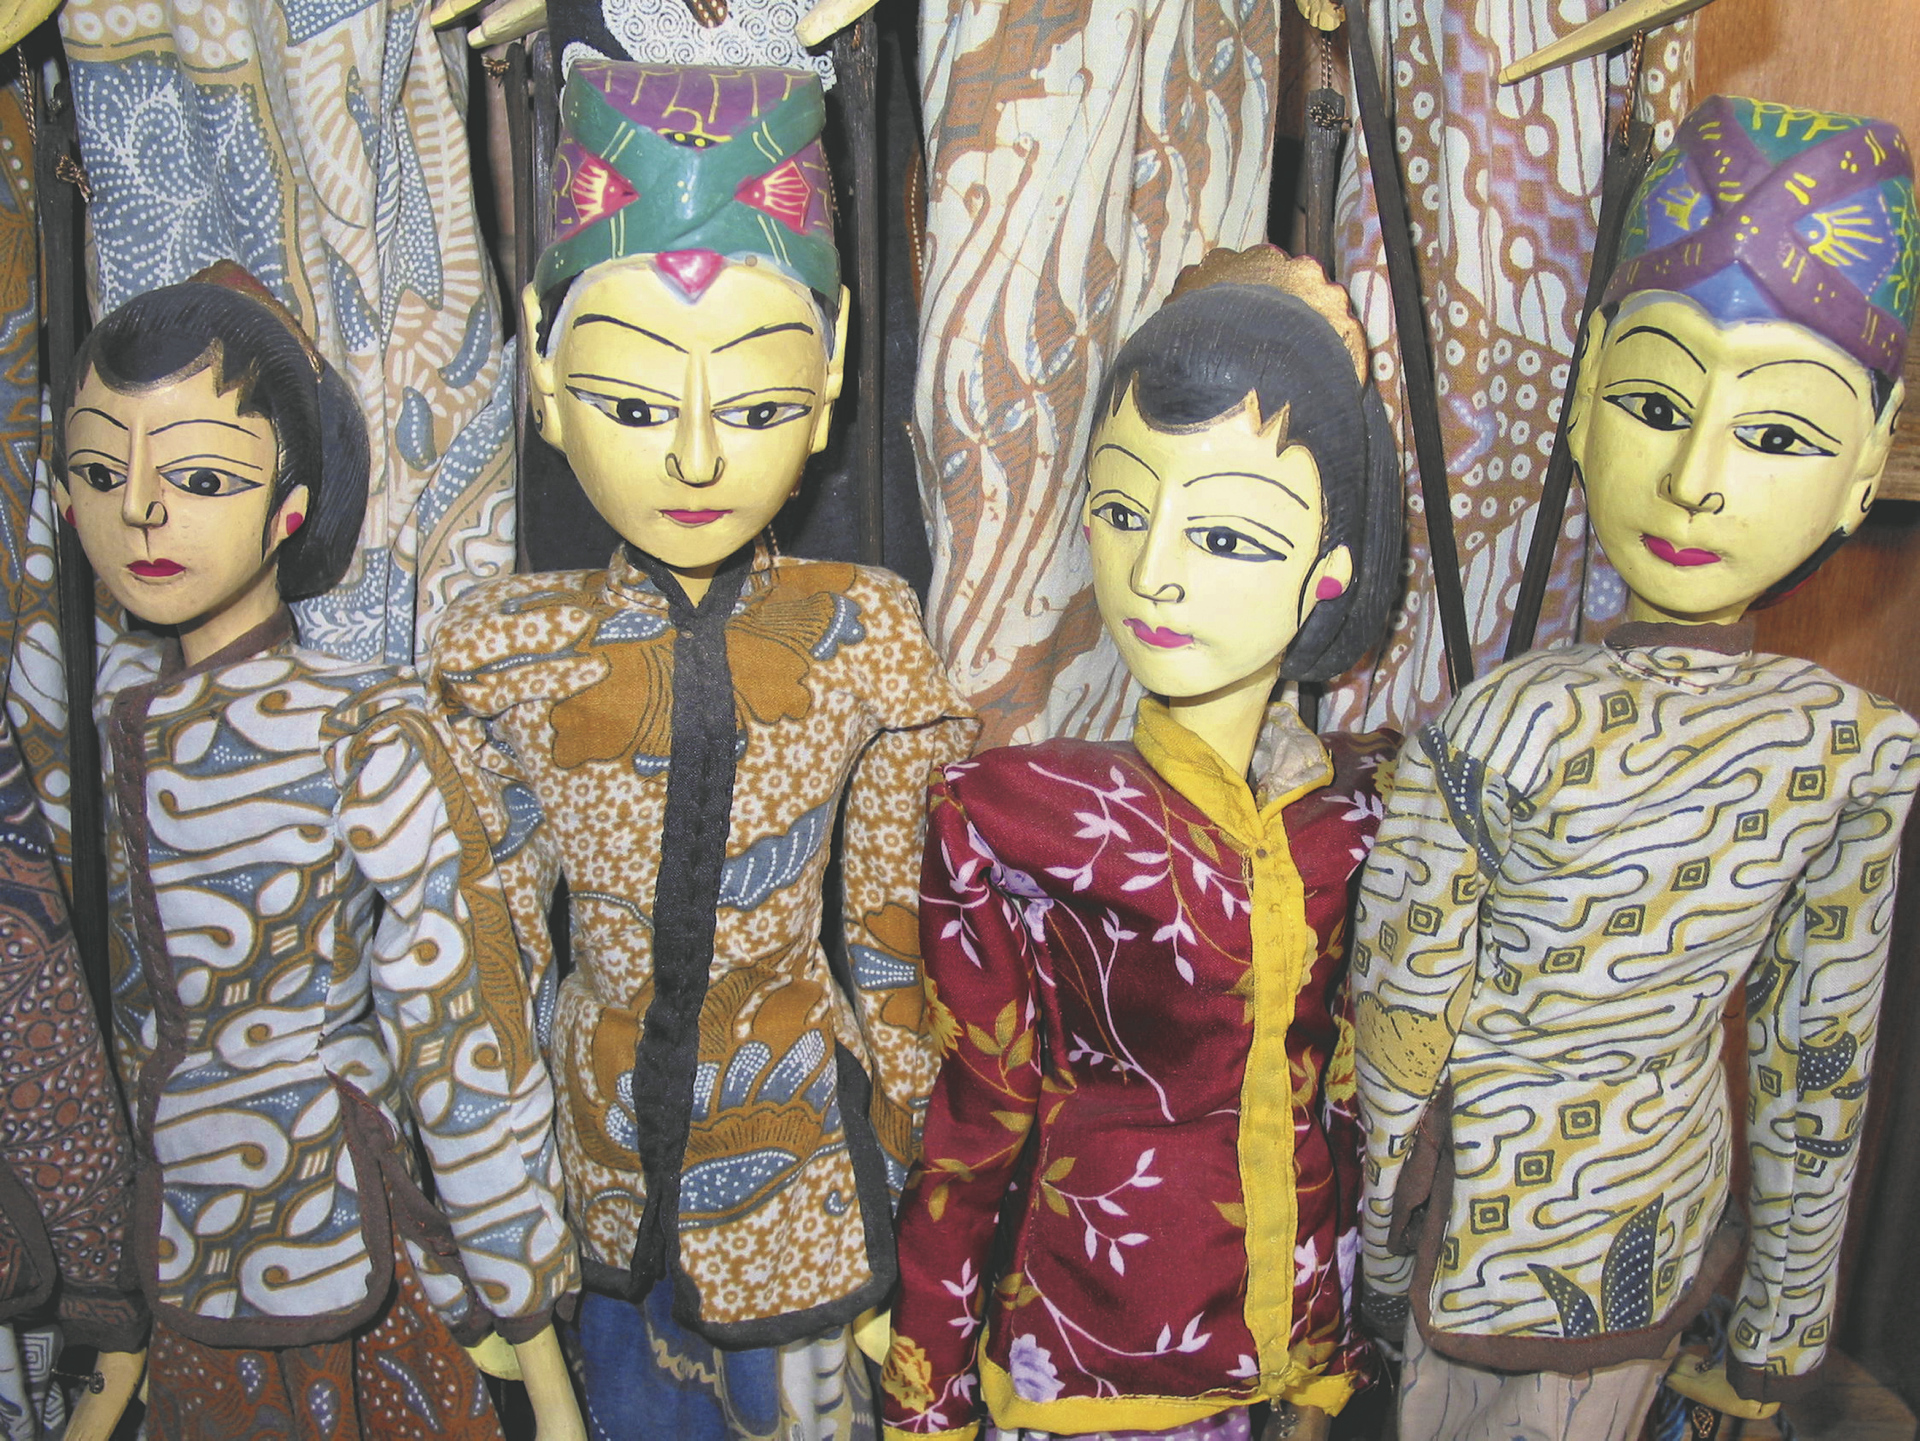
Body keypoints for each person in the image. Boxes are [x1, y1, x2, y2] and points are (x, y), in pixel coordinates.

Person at [1351, 96, 1920, 1441]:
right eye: (1658, 404)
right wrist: (1777, 1332)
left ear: (1867, 465)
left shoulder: (1490, 731)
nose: (1697, 477)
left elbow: (1400, 1042)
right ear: (1586, 393)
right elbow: (1816, 1065)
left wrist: (1375, 1265)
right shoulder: (1850, 744)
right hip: (1662, 1240)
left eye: (1776, 433)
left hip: (1487, 1259)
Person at [426, 59, 979, 1441]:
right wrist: (496, 1227)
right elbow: (489, 968)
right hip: (593, 1166)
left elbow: (895, 938)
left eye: (753, 405)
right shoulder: (505, 647)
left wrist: (914, 1195)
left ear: (831, 371)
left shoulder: (863, 632)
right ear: (544, 373)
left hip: (802, 1175)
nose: (690, 458)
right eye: (630, 402)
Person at [880, 246, 1403, 1441]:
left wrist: (1352, 1331)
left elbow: (1361, 1097)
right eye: (1123, 511)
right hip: (1098, 1358)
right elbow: (969, 1133)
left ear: (1329, 571)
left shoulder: (1366, 813)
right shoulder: (1021, 821)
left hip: (1302, 1349)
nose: (1154, 571)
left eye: (1229, 537)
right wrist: (927, 1396)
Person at [57, 264, 582, 1440]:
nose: (141, 511)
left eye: (199, 477)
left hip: (348, 1231)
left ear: (290, 503)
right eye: (99, 472)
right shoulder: (103, 723)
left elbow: (457, 1026)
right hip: (184, 1249)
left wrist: (539, 1353)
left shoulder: (361, 723)